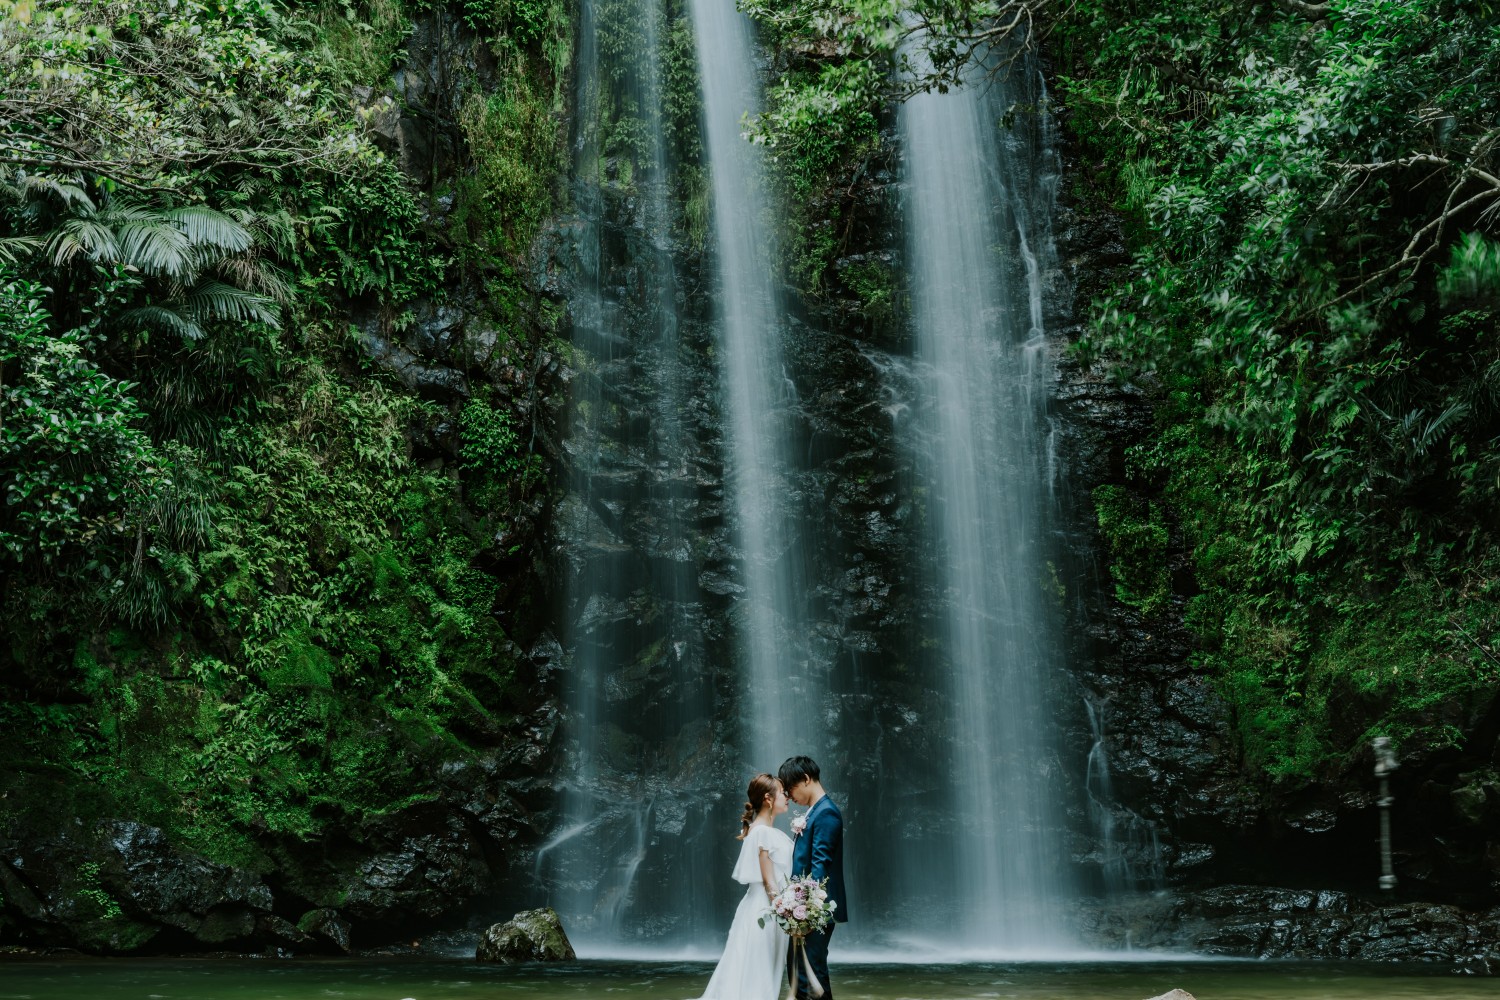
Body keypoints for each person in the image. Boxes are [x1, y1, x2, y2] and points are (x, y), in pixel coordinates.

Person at [694, 773, 793, 1000]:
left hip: (763, 907)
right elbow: (769, 882)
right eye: (783, 793)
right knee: (758, 969)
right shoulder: (763, 833)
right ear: (768, 798)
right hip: (766, 909)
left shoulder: (763, 831)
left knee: (754, 967)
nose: (787, 797)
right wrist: (784, 910)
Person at [779, 755, 847, 1000]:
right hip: (805, 908)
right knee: (800, 975)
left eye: (790, 789)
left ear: (806, 779)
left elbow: (820, 866)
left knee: (812, 977)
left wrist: (806, 910)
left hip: (815, 911)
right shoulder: (815, 811)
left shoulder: (826, 813)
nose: (789, 796)